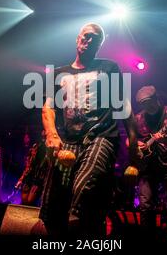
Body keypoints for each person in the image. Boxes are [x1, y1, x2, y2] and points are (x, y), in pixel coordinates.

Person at [41, 23, 138, 236]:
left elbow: (124, 105)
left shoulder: (109, 68)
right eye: (86, 36)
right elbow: (48, 107)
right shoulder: (58, 73)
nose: (89, 41)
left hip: (100, 136)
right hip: (68, 140)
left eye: (95, 39)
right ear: (77, 39)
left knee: (83, 185)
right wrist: (51, 134)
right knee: (53, 201)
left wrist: (133, 144)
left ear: (99, 46)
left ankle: (79, 227)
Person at [132, 85, 167, 235]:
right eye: (144, 105)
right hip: (147, 169)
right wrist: (136, 144)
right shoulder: (138, 118)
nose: (147, 107)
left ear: (157, 99)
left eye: (149, 103)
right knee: (145, 207)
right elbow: (129, 141)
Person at [15, 130, 48, 206]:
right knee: (24, 200)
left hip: (39, 176)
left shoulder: (50, 147)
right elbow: (28, 165)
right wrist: (21, 179)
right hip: (30, 175)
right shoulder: (36, 145)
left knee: (30, 201)